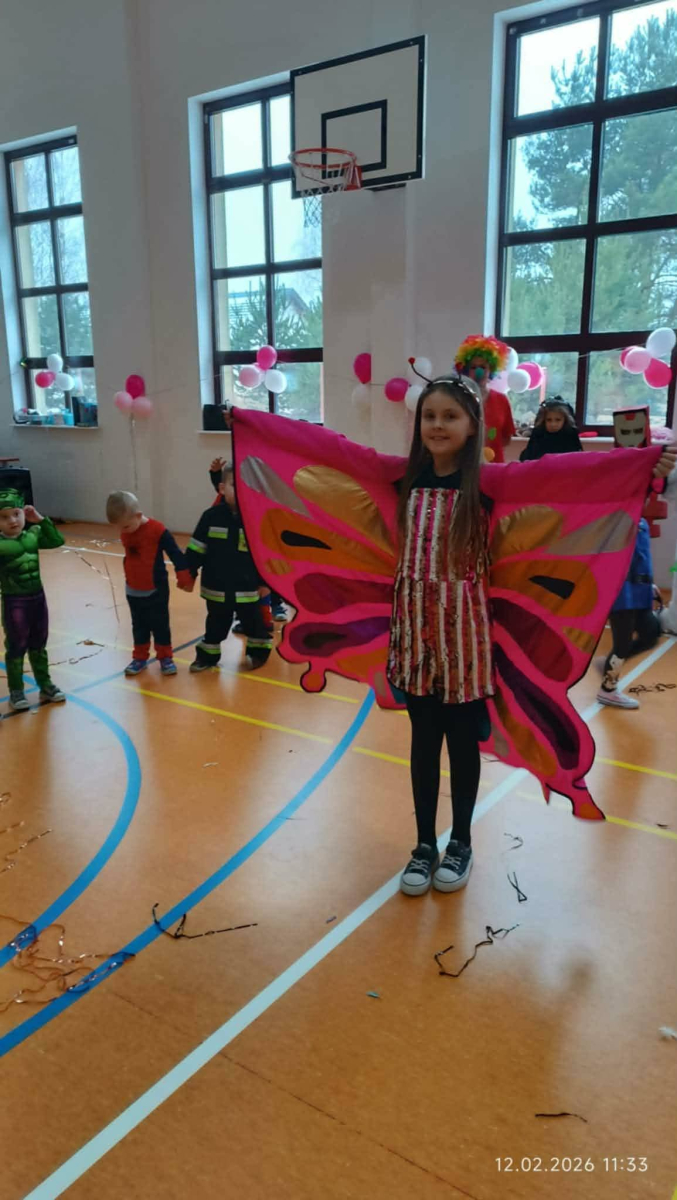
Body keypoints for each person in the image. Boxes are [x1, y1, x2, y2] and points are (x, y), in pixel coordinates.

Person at [387, 376, 493, 895]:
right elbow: (330, 452)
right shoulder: (402, 479)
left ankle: (462, 842)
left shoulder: (488, 486)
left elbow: (562, 477)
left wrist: (639, 465)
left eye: (450, 416)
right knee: (423, 742)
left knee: (462, 744)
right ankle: (425, 843)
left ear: (472, 426)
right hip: (414, 635)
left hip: (464, 639)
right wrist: (247, 424)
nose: (437, 425)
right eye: (429, 415)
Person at [185, 462, 273, 672]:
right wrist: (188, 573)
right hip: (216, 588)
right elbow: (196, 548)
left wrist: (265, 583)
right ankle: (207, 657)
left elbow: (266, 556)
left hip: (247, 589)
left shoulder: (256, 519)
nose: (241, 491)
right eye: (235, 485)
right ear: (222, 488)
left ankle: (258, 653)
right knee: (215, 626)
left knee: (254, 625)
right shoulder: (210, 517)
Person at [106, 490, 191, 677]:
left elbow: (175, 553)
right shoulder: (128, 528)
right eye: (119, 528)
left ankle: (165, 657)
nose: (123, 531)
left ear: (138, 515)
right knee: (139, 626)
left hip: (156, 589)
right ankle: (139, 658)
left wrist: (184, 574)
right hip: (133, 589)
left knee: (160, 625)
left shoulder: (158, 531)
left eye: (126, 526)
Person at [0, 488, 66, 711]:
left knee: (39, 644)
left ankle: (45, 684)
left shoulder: (33, 535)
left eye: (16, 514)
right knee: (16, 645)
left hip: (38, 598)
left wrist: (40, 520)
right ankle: (16, 691)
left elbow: (57, 540)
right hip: (14, 602)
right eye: (4, 517)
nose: (12, 520)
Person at [209, 456, 287, 625]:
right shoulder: (224, 504)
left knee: (268, 575)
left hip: (261, 542)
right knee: (245, 579)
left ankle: (275, 605)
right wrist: (216, 474)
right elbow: (225, 488)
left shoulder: (260, 491)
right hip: (239, 546)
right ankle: (244, 614)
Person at [596, 517, 661, 710]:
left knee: (651, 633)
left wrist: (649, 584)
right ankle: (607, 690)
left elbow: (642, 557)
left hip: (640, 590)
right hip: (620, 592)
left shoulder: (642, 523)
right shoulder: (615, 520)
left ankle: (609, 663)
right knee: (622, 643)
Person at [454, 334, 516, 463]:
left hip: (494, 464)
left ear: (491, 369)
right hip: (463, 464)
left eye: (483, 367)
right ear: (466, 370)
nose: (479, 371)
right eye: (473, 367)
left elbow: (506, 438)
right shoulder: (458, 398)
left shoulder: (501, 400)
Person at [519, 397, 583, 461]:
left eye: (558, 420)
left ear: (565, 420)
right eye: (549, 420)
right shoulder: (538, 433)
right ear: (543, 420)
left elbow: (577, 459)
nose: (553, 424)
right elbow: (528, 458)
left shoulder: (571, 434)